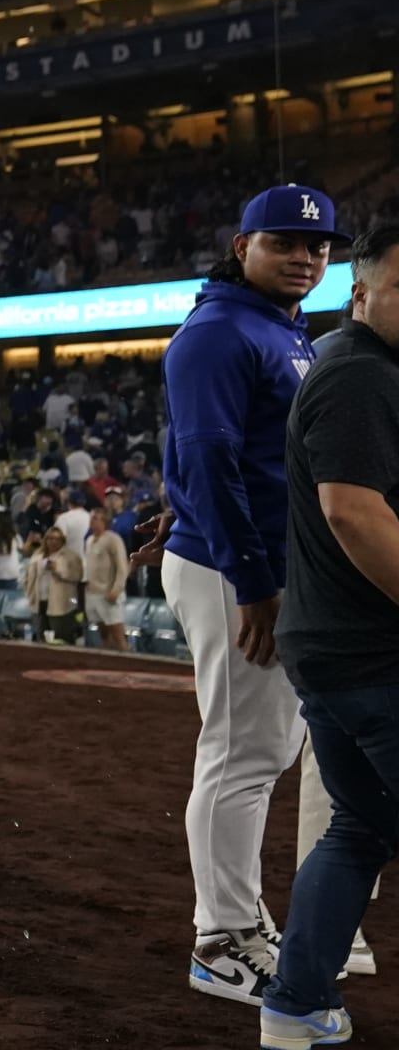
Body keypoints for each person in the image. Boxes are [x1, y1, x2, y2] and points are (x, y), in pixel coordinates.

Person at [165, 185, 347, 1006]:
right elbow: (209, 457)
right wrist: (253, 583)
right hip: (238, 571)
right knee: (242, 755)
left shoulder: (274, 326)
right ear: (242, 247)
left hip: (252, 563)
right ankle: (220, 939)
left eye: (319, 246)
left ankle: (239, 919)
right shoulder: (220, 331)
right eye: (285, 242)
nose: (306, 257)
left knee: (261, 752)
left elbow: (239, 455)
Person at [265, 220, 399, 1048]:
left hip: (336, 646)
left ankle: (296, 1003)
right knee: (359, 824)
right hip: (372, 652)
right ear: (362, 291)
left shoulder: (361, 367)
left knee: (362, 825)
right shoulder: (362, 376)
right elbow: (353, 511)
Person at [83, 506, 131, 653]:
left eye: (95, 518)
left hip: (107, 591)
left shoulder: (113, 539)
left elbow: (122, 567)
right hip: (92, 591)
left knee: (116, 631)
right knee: (102, 631)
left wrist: (116, 589)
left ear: (105, 521)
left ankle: (126, 659)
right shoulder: (89, 540)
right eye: (91, 517)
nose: (91, 520)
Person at [30, 526, 86, 645]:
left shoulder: (71, 556)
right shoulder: (37, 555)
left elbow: (77, 576)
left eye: (57, 539)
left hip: (61, 605)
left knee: (62, 639)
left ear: (62, 540)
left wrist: (57, 569)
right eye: (50, 538)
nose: (53, 541)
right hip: (40, 603)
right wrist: (30, 593)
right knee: (41, 638)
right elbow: (28, 577)